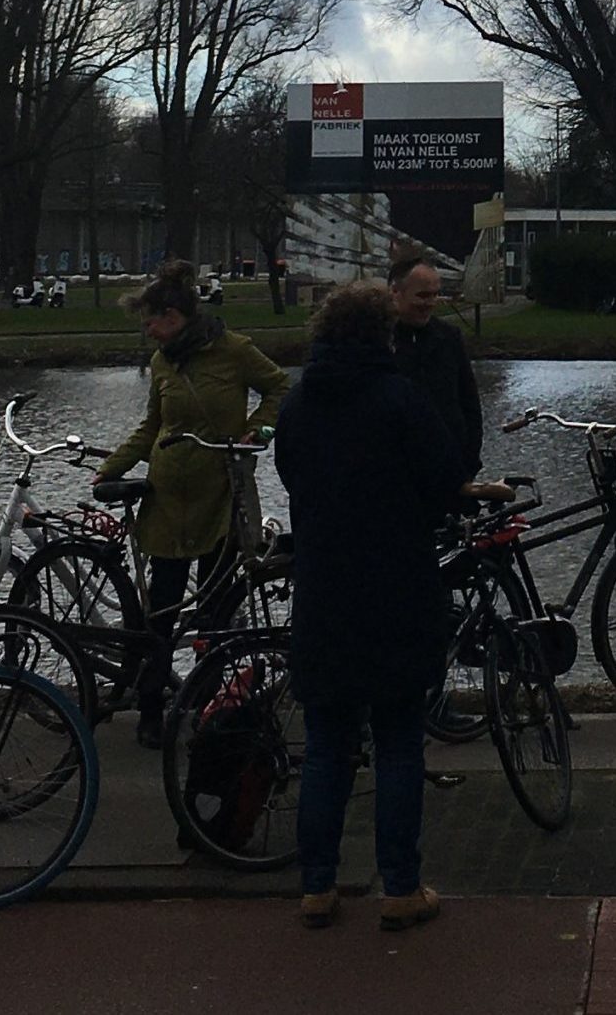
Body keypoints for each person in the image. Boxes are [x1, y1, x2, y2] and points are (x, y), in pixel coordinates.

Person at [274, 280, 469, 932]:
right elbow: (445, 480)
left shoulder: (299, 404)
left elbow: (290, 475)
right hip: (396, 588)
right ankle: (400, 887)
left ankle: (317, 885)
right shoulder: (400, 399)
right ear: (382, 334)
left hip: (323, 591)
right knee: (398, 742)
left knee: (327, 744)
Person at [93, 258, 289, 745]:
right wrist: (112, 468)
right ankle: (153, 708)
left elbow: (281, 387)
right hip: (167, 501)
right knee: (160, 610)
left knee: (216, 613)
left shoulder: (234, 350)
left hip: (221, 497)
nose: (147, 330)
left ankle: (206, 708)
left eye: (152, 320)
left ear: (176, 315)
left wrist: (258, 431)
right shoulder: (163, 362)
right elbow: (152, 426)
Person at [390, 253, 483, 476]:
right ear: (395, 293)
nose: (430, 303)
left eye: (435, 295)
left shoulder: (449, 338)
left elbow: (470, 405)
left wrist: (469, 463)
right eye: (422, 296)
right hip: (400, 474)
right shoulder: (378, 340)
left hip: (449, 469)